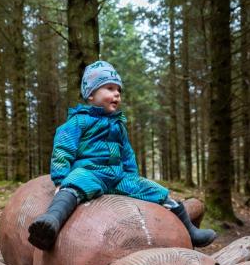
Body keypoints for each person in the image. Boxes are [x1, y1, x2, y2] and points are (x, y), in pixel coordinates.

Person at [28, 60, 217, 250]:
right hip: (90, 172)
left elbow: (127, 154)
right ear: (91, 95)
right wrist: (61, 179)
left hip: (119, 177)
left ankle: (190, 231)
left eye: (118, 90)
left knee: (158, 192)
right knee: (73, 187)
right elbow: (63, 148)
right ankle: (51, 221)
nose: (116, 94)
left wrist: (132, 177)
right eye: (109, 88)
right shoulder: (79, 121)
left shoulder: (118, 124)